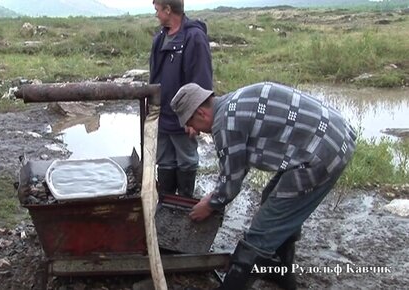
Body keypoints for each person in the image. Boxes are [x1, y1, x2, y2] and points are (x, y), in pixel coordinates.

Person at [170, 82, 357, 290]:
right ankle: (280, 271)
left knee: (263, 230)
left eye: (190, 124)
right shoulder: (233, 102)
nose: (192, 131)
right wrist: (217, 197)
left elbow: (231, 181)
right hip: (334, 135)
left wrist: (211, 204)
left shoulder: (225, 123)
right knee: (272, 199)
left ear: (201, 113)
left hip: (324, 152)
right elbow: (239, 164)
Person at [149, 0, 213, 198]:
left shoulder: (194, 37)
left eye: (157, 10)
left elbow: (202, 77)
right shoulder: (160, 38)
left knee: (186, 159)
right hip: (162, 113)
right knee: (164, 159)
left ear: (168, 10)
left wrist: (195, 117)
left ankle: (184, 201)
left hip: (185, 116)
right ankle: (167, 202)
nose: (156, 15)